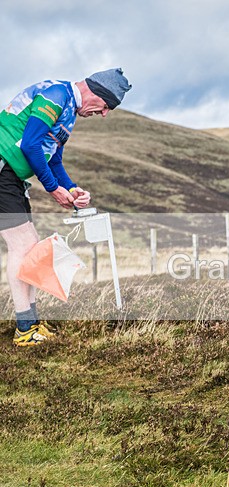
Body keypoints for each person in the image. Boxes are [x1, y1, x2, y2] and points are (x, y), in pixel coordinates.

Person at [0, 68, 131, 346]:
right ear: (96, 93)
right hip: (3, 170)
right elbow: (32, 145)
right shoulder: (56, 95)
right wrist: (52, 188)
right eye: (106, 106)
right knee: (23, 247)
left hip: (12, 176)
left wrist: (72, 189)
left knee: (30, 246)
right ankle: (24, 328)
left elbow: (54, 160)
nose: (105, 114)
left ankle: (30, 323)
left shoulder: (68, 111)